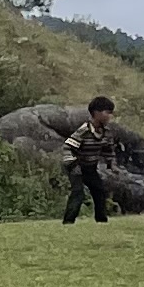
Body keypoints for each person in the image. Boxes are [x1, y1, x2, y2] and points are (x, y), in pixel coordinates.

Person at [59, 96, 131, 225]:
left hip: (90, 167)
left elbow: (108, 151)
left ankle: (101, 221)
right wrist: (72, 165)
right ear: (97, 113)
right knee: (78, 193)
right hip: (77, 165)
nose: (109, 116)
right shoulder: (84, 130)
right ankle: (68, 222)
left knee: (99, 191)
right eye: (107, 112)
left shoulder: (107, 132)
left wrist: (112, 166)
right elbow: (68, 147)